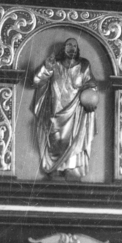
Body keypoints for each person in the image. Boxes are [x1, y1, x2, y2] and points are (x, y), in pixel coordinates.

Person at [32, 37, 98, 179]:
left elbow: (92, 84)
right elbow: (37, 81)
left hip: (75, 113)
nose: (72, 48)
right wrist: (46, 68)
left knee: (73, 140)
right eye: (69, 45)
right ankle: (55, 170)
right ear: (63, 48)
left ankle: (71, 172)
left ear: (77, 49)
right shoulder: (54, 65)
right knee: (56, 141)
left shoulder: (84, 65)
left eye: (74, 46)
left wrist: (90, 96)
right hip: (55, 112)